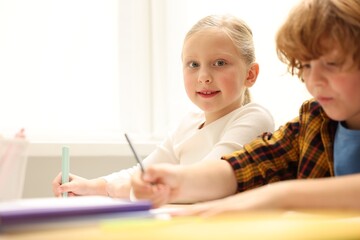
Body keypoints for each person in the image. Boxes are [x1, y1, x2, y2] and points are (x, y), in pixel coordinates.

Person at [130, 0, 360, 212]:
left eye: (332, 63)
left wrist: (281, 196)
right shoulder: (313, 120)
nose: (314, 80)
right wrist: (178, 183)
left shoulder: (255, 116)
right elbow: (248, 165)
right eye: (306, 65)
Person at [52, 15, 274, 199]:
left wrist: (118, 189)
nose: (204, 77)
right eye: (193, 64)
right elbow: (144, 171)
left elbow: (206, 180)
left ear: (250, 74)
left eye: (219, 63)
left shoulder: (254, 118)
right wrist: (91, 186)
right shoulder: (188, 124)